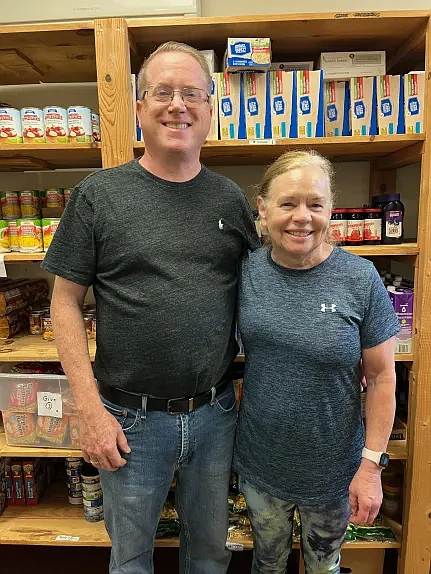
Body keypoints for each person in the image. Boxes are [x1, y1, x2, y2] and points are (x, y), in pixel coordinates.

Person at [42, 41, 259, 574]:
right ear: (139, 107)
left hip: (215, 415)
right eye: (161, 92)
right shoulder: (99, 194)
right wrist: (89, 411)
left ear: (211, 109)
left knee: (209, 555)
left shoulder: (230, 199)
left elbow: (261, 294)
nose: (176, 105)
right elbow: (65, 302)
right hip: (128, 421)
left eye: (191, 93)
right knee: (131, 559)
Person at [233, 150, 400, 574]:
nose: (301, 217)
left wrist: (371, 468)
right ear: (264, 208)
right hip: (261, 464)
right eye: (288, 203)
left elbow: (382, 380)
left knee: (323, 567)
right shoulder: (245, 273)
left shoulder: (360, 278)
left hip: (334, 473)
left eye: (315, 204)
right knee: (266, 564)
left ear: (330, 209)